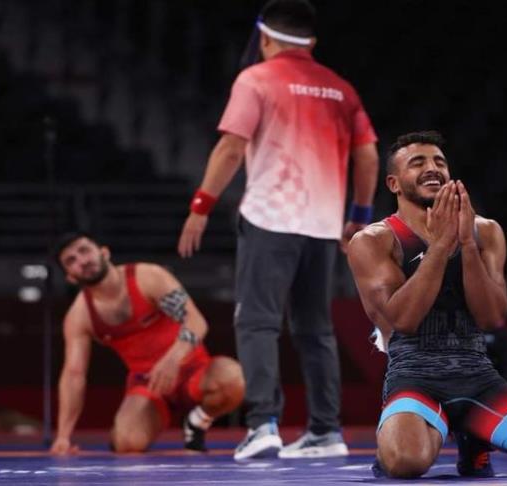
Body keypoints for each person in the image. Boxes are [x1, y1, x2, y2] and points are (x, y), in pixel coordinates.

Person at [177, 0, 379, 460]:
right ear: (311, 42)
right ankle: (326, 431)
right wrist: (359, 218)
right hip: (323, 225)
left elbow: (231, 148)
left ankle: (263, 424)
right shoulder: (341, 89)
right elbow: (368, 154)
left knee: (257, 322)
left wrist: (201, 206)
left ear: (266, 39)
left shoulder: (256, 79)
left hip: (270, 220)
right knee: (315, 328)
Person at [347, 131, 507, 479]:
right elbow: (403, 319)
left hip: (480, 378)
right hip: (415, 379)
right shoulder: (374, 240)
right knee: (405, 463)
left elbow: (492, 317)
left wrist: (465, 244)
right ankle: (409, 434)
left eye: (439, 162)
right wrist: (440, 246)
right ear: (394, 184)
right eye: (417, 163)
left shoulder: (485, 232)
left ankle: (473, 436)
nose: (432, 168)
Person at [50, 232, 245, 454]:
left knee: (234, 379)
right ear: (70, 277)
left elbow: (196, 321)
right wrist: (63, 436)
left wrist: (173, 358)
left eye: (84, 250)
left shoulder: (147, 277)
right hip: (148, 384)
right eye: (71, 261)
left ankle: (197, 423)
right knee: (127, 443)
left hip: (194, 370)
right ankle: (142, 423)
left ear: (104, 252)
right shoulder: (80, 315)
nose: (82, 261)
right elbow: (74, 375)